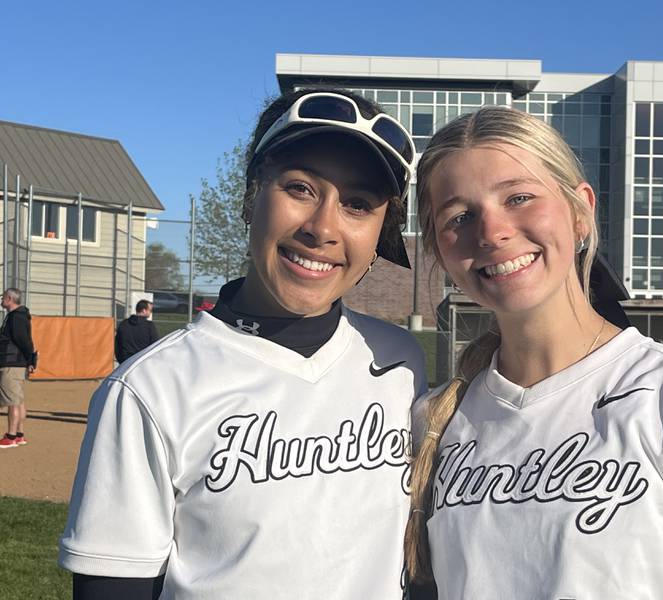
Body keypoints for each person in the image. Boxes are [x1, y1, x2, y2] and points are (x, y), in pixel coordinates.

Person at [404, 107, 663, 599]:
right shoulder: (432, 421)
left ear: (580, 212)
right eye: (459, 216)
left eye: (519, 197)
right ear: (439, 251)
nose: (492, 232)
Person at [59, 88, 428, 599]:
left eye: (358, 204)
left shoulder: (399, 360)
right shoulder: (150, 387)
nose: (322, 227)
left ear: (381, 232)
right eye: (300, 188)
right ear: (252, 195)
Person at [0, 288, 37, 449]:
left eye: (3, 297)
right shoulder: (16, 316)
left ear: (9, 299)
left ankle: (11, 436)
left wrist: (31, 359)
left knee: (13, 402)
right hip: (14, 363)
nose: (1, 300)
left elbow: (24, 340)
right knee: (18, 400)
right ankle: (19, 435)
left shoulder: (16, 317)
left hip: (12, 364)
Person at [114, 299, 159, 363]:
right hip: (142, 361)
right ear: (144, 310)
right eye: (150, 310)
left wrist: (121, 361)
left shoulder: (124, 324)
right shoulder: (149, 326)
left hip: (125, 361)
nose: (150, 312)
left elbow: (117, 345)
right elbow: (155, 345)